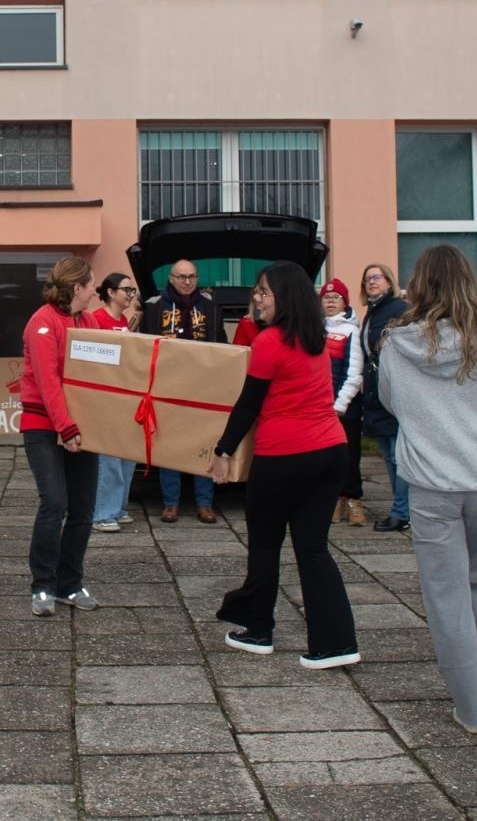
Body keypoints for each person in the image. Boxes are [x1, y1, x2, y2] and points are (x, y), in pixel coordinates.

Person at [378, 244, 477, 734]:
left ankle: (471, 709)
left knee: (446, 593)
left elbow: (392, 403)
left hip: (431, 481)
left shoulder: (397, 344)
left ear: (418, 285)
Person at [209, 261, 359, 669]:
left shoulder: (270, 342)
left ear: (284, 297)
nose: (256, 298)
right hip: (331, 451)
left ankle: (258, 630)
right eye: (256, 291)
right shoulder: (315, 338)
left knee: (265, 545)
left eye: (263, 291)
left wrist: (222, 452)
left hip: (284, 457)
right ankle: (336, 644)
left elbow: (248, 405)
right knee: (313, 550)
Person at [20, 256, 102, 616]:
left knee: (83, 509)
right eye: (92, 286)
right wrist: (65, 428)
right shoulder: (42, 323)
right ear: (77, 288)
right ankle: (42, 584)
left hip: (82, 426)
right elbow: (47, 379)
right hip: (43, 426)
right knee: (54, 503)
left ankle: (70, 583)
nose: (95, 292)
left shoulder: (87, 321)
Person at [143, 258, 224, 523]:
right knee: (170, 444)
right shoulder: (155, 307)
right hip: (168, 386)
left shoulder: (211, 307)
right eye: (181, 277)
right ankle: (170, 503)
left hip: (204, 386)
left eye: (191, 276)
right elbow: (143, 346)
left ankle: (204, 503)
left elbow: (221, 344)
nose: (187, 281)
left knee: (204, 443)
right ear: (170, 278)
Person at [359, 262, 411, 532]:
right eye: (367, 279)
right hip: (375, 391)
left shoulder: (400, 309)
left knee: (397, 454)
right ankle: (401, 507)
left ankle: (402, 512)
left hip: (394, 391)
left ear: (389, 282)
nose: (371, 282)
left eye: (377, 277)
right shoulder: (371, 312)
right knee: (388, 456)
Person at [89, 272, 139, 533]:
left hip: (126, 396)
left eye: (132, 291)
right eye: (126, 290)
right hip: (107, 398)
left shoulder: (124, 321)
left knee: (128, 457)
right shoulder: (96, 320)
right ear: (110, 292)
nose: (130, 295)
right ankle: (102, 513)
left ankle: (118, 508)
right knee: (109, 458)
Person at [320, 278, 367, 527]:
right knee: (327, 458)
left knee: (349, 455)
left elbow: (354, 372)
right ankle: (334, 499)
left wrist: (339, 405)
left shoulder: (352, 331)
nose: (330, 301)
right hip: (318, 406)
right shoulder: (316, 329)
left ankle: (353, 499)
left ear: (344, 302)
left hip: (344, 407)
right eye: (326, 297)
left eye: (335, 297)